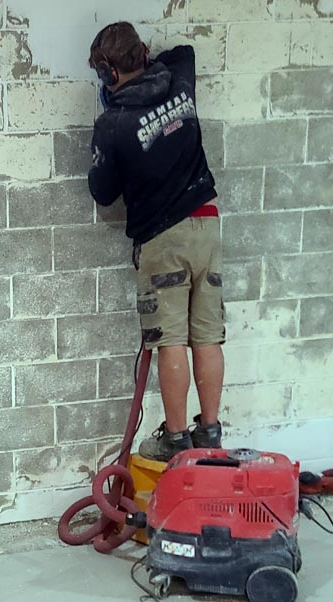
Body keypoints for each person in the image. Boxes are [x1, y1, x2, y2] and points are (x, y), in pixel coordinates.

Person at [87, 22, 225, 462]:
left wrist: (112, 113)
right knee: (206, 337)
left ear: (109, 76)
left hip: (164, 239)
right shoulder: (180, 83)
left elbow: (102, 191)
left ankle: (177, 438)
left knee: (170, 341)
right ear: (143, 54)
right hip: (207, 225)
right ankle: (211, 430)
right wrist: (147, 67)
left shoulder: (114, 124)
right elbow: (182, 50)